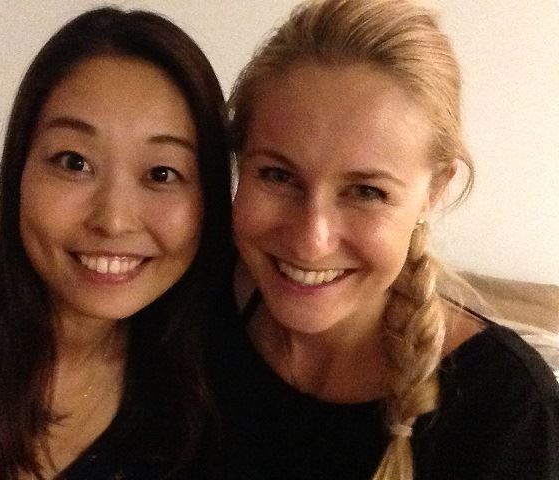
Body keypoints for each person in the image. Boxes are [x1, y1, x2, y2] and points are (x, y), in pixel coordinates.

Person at [209, 0, 559, 479]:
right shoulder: (188, 310)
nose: (312, 241)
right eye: (278, 175)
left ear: (433, 192)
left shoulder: (507, 409)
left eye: (367, 192)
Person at [0, 7, 234, 480]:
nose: (113, 220)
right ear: (20, 168)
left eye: (162, 173)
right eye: (74, 162)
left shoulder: (202, 398)